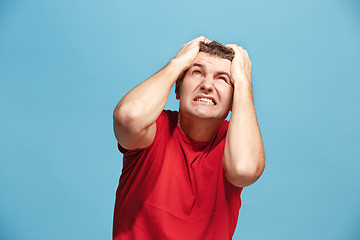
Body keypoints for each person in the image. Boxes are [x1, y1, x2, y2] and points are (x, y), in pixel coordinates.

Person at [112, 36, 265, 240]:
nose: (207, 85)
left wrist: (244, 83)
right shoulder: (155, 128)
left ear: (233, 100)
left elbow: (244, 171)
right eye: (197, 72)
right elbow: (128, 118)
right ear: (177, 88)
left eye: (222, 78)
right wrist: (178, 63)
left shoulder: (233, 142)